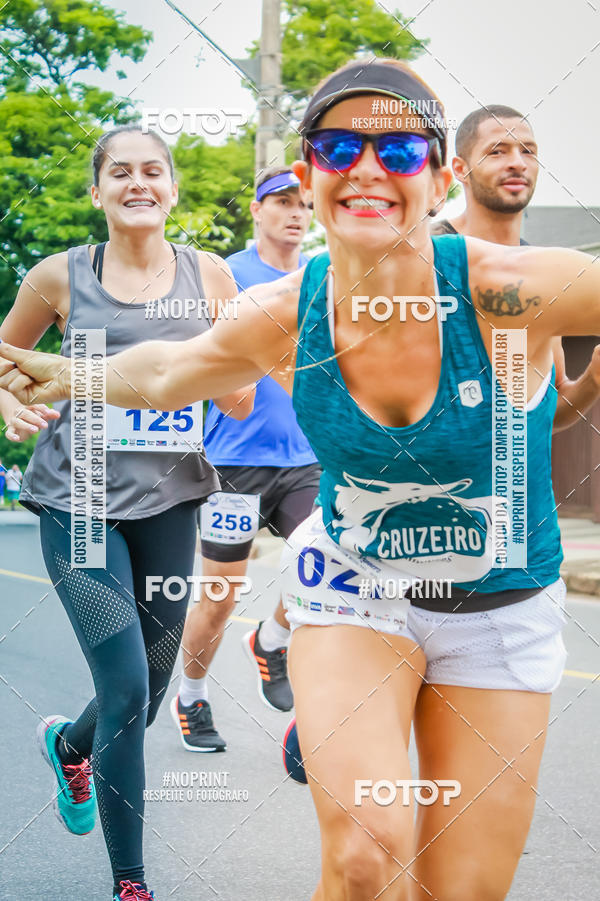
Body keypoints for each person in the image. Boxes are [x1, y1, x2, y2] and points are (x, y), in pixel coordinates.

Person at [3, 59, 600, 899]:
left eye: (398, 151)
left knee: (459, 889)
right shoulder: (288, 308)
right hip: (357, 596)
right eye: (337, 145)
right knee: (364, 854)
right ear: (311, 168)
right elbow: (175, 367)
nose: (365, 168)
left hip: (501, 612)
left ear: (439, 176)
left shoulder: (510, 289)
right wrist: (63, 376)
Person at [0, 125, 253, 901]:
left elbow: (238, 391)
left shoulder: (209, 276)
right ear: (98, 190)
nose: (137, 182)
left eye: (152, 171)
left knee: (143, 684)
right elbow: (5, 359)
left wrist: (220, 368)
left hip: (171, 498)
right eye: (121, 172)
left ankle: (69, 745)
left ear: (172, 188)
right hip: (77, 500)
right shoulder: (60, 277)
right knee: (126, 688)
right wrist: (8, 400)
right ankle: (131, 883)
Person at [172, 166, 317, 752]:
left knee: (330, 565)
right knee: (219, 596)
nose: (295, 212)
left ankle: (272, 637)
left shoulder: (324, 278)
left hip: (307, 459)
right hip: (233, 465)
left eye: (304, 203)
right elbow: (196, 359)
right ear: (256, 210)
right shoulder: (227, 275)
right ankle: (191, 695)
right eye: (281, 202)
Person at [432, 105, 600, 429]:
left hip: (512, 476)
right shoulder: (421, 254)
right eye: (497, 151)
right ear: (460, 168)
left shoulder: (542, 275)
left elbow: (546, 412)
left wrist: (593, 377)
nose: (517, 162)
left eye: (528, 151)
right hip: (423, 478)